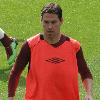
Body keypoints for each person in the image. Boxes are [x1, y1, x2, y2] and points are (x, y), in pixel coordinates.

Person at [8, 3, 93, 100]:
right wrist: (11, 97)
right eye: (46, 22)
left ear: (61, 21)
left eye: (53, 22)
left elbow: (85, 73)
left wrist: (89, 93)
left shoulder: (74, 46)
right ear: (41, 21)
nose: (49, 27)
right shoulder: (30, 45)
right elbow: (15, 73)